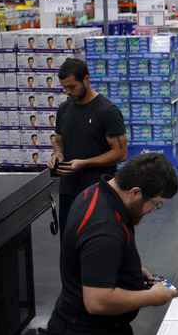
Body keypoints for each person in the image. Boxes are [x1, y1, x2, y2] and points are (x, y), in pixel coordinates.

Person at [38, 153, 178, 335]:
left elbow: (88, 258)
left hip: (96, 331)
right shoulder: (105, 228)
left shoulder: (94, 192)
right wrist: (150, 297)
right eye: (156, 203)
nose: (153, 210)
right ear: (135, 192)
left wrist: (124, 269)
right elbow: (97, 301)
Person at [49, 58, 127, 238]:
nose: (68, 92)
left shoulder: (107, 111)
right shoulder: (64, 109)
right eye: (64, 88)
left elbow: (120, 153)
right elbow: (59, 140)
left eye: (72, 87)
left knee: (95, 243)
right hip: (68, 191)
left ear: (86, 79)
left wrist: (84, 163)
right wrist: (57, 154)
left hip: (98, 191)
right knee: (69, 245)